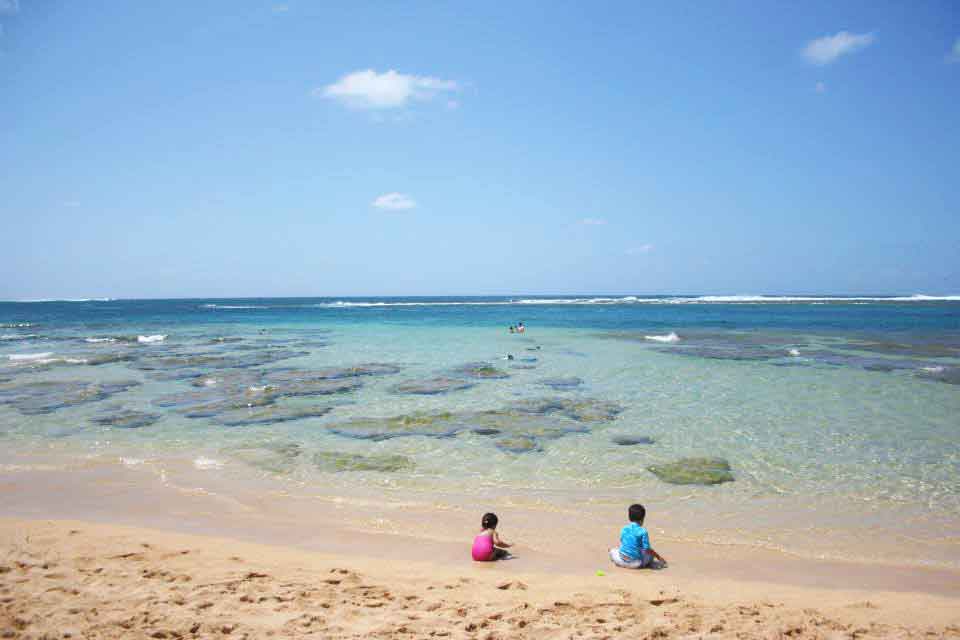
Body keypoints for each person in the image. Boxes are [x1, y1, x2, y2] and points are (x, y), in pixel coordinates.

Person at [609, 504, 667, 569]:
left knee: (613, 550)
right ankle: (648, 565)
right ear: (643, 518)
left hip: (620, 560)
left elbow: (622, 541)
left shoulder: (624, 528)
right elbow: (647, 549)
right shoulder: (643, 531)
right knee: (650, 555)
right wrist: (659, 557)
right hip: (635, 564)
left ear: (629, 517)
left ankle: (619, 561)